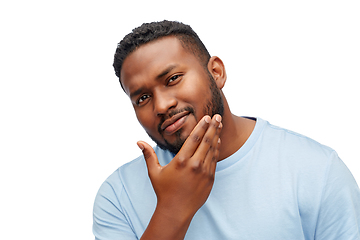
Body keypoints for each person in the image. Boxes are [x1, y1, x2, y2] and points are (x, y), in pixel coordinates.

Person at [93, 20, 360, 240]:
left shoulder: (318, 171)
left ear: (216, 72)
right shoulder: (118, 195)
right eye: (142, 98)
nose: (162, 105)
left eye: (173, 79)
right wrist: (173, 209)